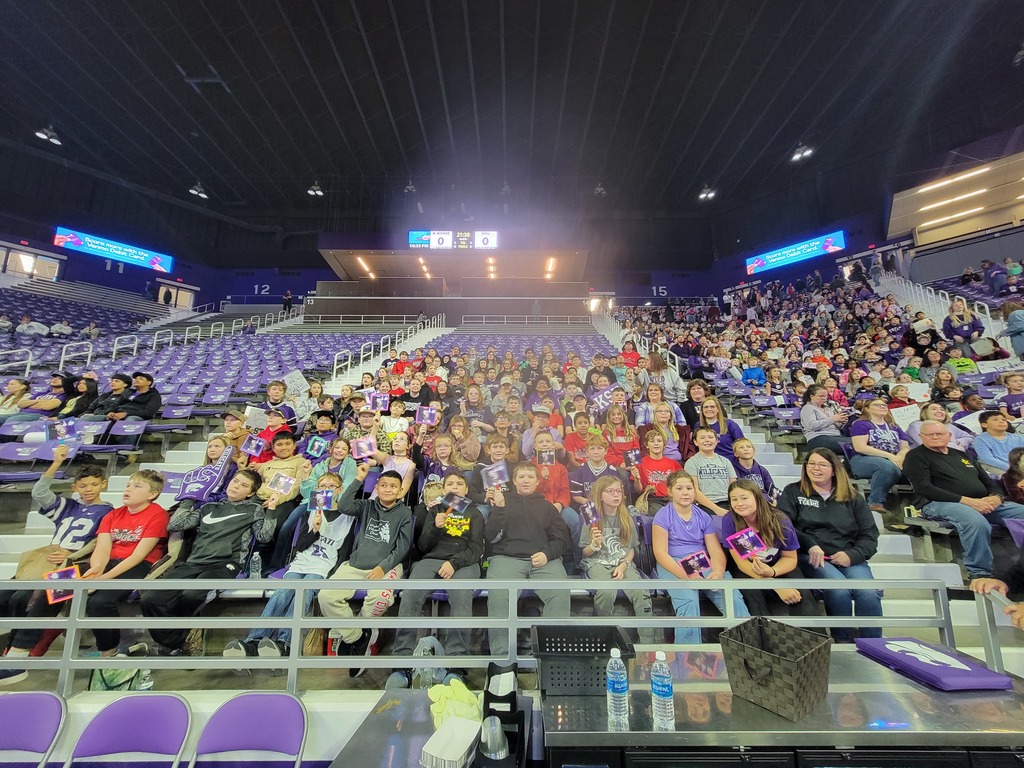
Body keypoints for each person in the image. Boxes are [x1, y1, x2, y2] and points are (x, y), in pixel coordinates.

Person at [0, 446, 111, 684]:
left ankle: (18, 655)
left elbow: (99, 543)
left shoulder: (109, 512)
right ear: (74, 488)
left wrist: (72, 553)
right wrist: (56, 463)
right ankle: (10, 653)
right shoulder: (68, 506)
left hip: (75, 565)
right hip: (46, 564)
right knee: (8, 595)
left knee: (36, 597)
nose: (88, 490)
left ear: (104, 484)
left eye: (93, 484)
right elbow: (40, 492)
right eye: (83, 485)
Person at [224, 473, 355, 663]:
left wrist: (334, 574)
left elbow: (345, 551)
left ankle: (285, 643)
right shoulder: (309, 512)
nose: (325, 489)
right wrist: (314, 531)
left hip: (323, 567)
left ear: (339, 490)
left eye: (331, 486)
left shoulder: (348, 517)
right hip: (301, 562)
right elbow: (300, 546)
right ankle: (254, 640)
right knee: (281, 593)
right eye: (321, 485)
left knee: (303, 595)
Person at [140, 470, 270, 655]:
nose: (236, 486)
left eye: (243, 485)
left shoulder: (253, 509)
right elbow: (175, 525)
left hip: (226, 564)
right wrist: (188, 499)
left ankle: (171, 643)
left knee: (191, 595)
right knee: (149, 599)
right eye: (235, 481)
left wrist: (271, 511)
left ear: (250, 493)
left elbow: (264, 536)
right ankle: (178, 639)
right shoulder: (208, 507)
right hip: (194, 563)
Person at [386, 472, 484, 688]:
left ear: (466, 490)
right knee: (411, 594)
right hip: (432, 559)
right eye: (450, 483)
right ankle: (401, 665)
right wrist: (434, 529)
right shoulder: (436, 510)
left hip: (464, 562)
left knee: (460, 596)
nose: (455, 487)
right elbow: (423, 546)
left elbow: (477, 548)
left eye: (460, 483)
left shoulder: (475, 513)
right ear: (444, 489)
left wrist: (454, 564)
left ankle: (456, 666)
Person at [776, 448, 881, 641]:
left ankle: (873, 644)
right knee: (838, 589)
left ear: (834, 469)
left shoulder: (853, 497)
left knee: (868, 592)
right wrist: (810, 545)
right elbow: (785, 526)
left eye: (822, 464)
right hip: (813, 557)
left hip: (849, 556)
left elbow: (869, 535)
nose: (816, 468)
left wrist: (853, 555)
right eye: (811, 464)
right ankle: (843, 641)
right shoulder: (793, 492)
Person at [318, 465, 413, 675]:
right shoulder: (366, 506)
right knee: (326, 596)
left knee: (379, 597)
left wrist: (383, 567)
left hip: (387, 566)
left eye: (393, 486)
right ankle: (357, 637)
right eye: (384, 485)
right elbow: (343, 505)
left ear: (400, 491)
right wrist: (359, 479)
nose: (388, 489)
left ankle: (363, 631)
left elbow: (403, 547)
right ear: (377, 487)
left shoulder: (405, 513)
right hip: (356, 564)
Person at [904, 422, 1024, 580]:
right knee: (976, 522)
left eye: (939, 434)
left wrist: (996, 497)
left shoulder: (962, 455)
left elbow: (988, 482)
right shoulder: (915, 456)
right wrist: (967, 501)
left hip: (981, 502)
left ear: (949, 436)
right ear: (921, 437)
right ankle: (980, 573)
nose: (935, 437)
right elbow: (923, 488)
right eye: (929, 434)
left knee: (1021, 512)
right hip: (937, 504)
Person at [485, 462, 572, 657]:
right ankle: (502, 659)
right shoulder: (502, 502)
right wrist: (498, 510)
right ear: (514, 481)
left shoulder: (547, 507)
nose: (526, 480)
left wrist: (547, 554)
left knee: (559, 594)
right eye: (521, 477)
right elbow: (489, 536)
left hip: (543, 560)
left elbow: (563, 539)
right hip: (507, 558)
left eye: (530, 477)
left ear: (537, 481)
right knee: (499, 597)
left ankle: (552, 655)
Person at [652, 470, 750, 644]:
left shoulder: (703, 516)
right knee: (688, 601)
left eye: (689, 488)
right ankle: (688, 656)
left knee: (732, 596)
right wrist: (686, 576)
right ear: (669, 491)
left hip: (700, 561)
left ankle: (746, 645)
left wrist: (718, 573)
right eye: (679, 488)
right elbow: (660, 553)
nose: (685, 492)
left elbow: (715, 552)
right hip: (672, 563)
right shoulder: (662, 515)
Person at [83, 470, 169, 657]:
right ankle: (21, 650)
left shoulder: (158, 514)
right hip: (108, 563)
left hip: (139, 565)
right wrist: (96, 569)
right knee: (54, 591)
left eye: (137, 486)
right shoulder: (112, 515)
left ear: (152, 495)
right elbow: (103, 548)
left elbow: (138, 555)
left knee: (99, 602)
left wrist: (103, 579)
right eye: (128, 485)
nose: (128, 489)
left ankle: (108, 652)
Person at [722, 479, 819, 620]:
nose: (739, 503)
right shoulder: (730, 520)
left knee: (801, 596)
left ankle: (812, 639)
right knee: (753, 598)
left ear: (757, 498)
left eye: (744, 498)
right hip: (749, 566)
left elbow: (790, 558)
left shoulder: (781, 521)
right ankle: (762, 639)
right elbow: (742, 564)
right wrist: (775, 585)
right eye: (734, 499)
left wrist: (773, 572)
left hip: (778, 564)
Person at [580, 476, 659, 643]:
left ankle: (648, 644)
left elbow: (631, 550)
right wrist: (594, 545)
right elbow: (585, 553)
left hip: (623, 562)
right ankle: (604, 639)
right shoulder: (592, 517)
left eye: (618, 491)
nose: (616, 494)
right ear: (600, 495)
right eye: (610, 491)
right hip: (597, 562)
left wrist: (624, 566)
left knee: (640, 592)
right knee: (607, 591)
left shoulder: (626, 517)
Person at [849, 398, 909, 513]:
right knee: (887, 467)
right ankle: (875, 502)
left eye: (884, 405)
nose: (882, 407)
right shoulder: (861, 424)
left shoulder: (894, 426)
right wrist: (890, 456)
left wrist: (900, 456)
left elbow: (905, 446)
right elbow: (860, 447)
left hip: (893, 459)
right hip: (863, 459)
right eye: (877, 405)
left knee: (920, 467)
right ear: (867, 409)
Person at [684, 427, 735, 516]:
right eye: (702, 438)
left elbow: (734, 487)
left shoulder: (725, 461)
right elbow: (694, 490)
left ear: (716, 441)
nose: (707, 440)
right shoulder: (691, 463)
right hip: (705, 505)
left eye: (710, 437)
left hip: (729, 503)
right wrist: (717, 509)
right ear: (695, 442)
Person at [800, 384, 850, 454]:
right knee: (851, 446)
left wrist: (841, 421)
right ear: (811, 396)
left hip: (835, 436)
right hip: (818, 437)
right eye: (821, 396)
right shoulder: (808, 408)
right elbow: (811, 425)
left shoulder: (828, 408)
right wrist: (832, 419)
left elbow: (834, 425)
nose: (824, 398)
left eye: (825, 396)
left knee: (857, 442)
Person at [906, 402, 975, 452]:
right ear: (925, 412)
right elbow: (931, 444)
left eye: (942, 409)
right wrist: (958, 448)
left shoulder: (949, 426)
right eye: (934, 409)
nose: (939, 411)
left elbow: (969, 437)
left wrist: (960, 442)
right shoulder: (917, 425)